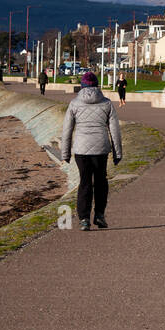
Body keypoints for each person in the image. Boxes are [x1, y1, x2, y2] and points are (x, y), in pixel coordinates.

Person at [61, 71, 122, 230]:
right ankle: (100, 215)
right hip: (101, 149)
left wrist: (65, 154)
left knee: (85, 183)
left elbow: (67, 130)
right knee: (101, 181)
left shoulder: (74, 103)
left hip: (81, 151)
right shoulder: (107, 103)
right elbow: (114, 130)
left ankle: (84, 219)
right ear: (97, 86)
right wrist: (117, 153)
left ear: (82, 86)